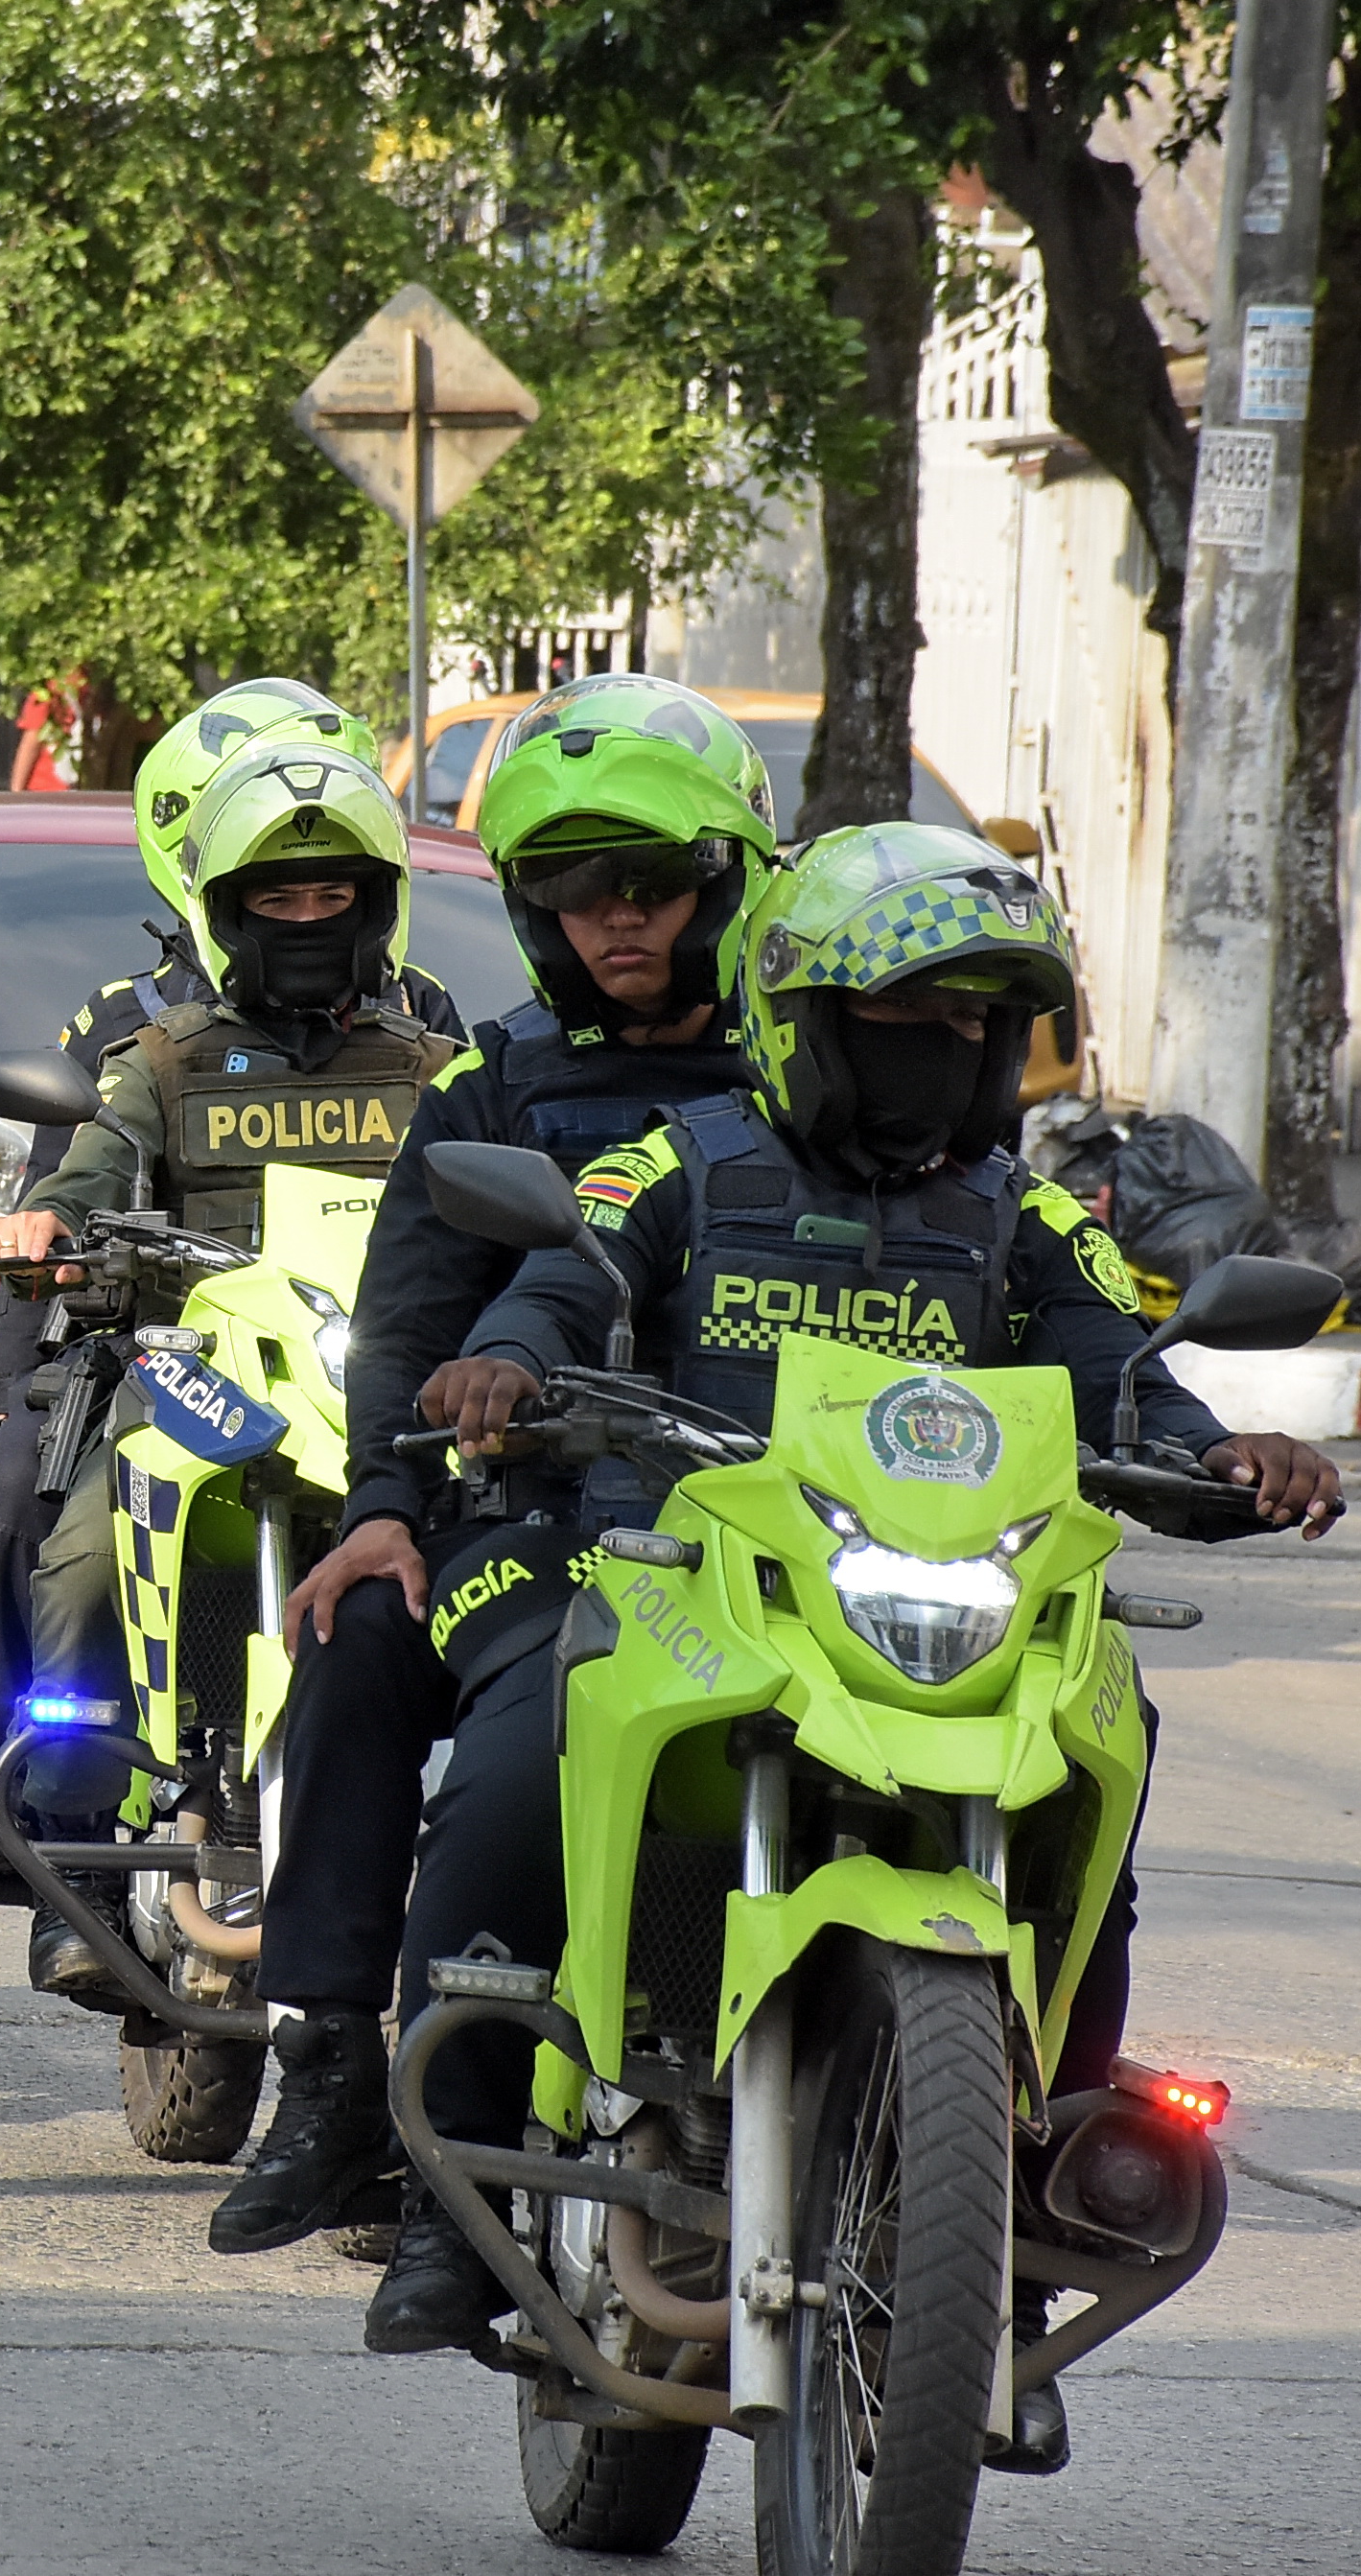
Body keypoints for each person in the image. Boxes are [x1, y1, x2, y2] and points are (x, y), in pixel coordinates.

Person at [347, 822, 1339, 2441]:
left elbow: (1131, 1387)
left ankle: (1019, 2215)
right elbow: (553, 1286)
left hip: (946, 1607)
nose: (941, 1056)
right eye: (905, 1020)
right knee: (517, 1768)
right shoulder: (678, 1163)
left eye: (974, 1028)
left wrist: (1235, 1453)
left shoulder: (1026, 1219)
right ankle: (433, 2206)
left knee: (1109, 1749)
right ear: (807, 1019)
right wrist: (504, 1368)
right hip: (690, 1581)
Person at [207, 676, 778, 2264]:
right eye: (575, 891)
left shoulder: (819, 1081)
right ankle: (334, 2071)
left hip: (796, 1525)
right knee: (351, 1629)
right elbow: (405, 1327)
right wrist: (386, 1506)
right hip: (544, 1513)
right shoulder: (496, 1088)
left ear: (727, 882)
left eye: (651, 884)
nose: (618, 922)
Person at [0, 738, 461, 1999]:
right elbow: (80, 1180)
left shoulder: (434, 1069)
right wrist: (48, 1233)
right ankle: (75, 1869)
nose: (302, 918)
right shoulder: (164, 1056)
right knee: (75, 1558)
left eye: (326, 894)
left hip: (382, 1391)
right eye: (275, 897)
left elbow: (500, 1203)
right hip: (189, 1379)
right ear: (228, 908)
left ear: (372, 903)